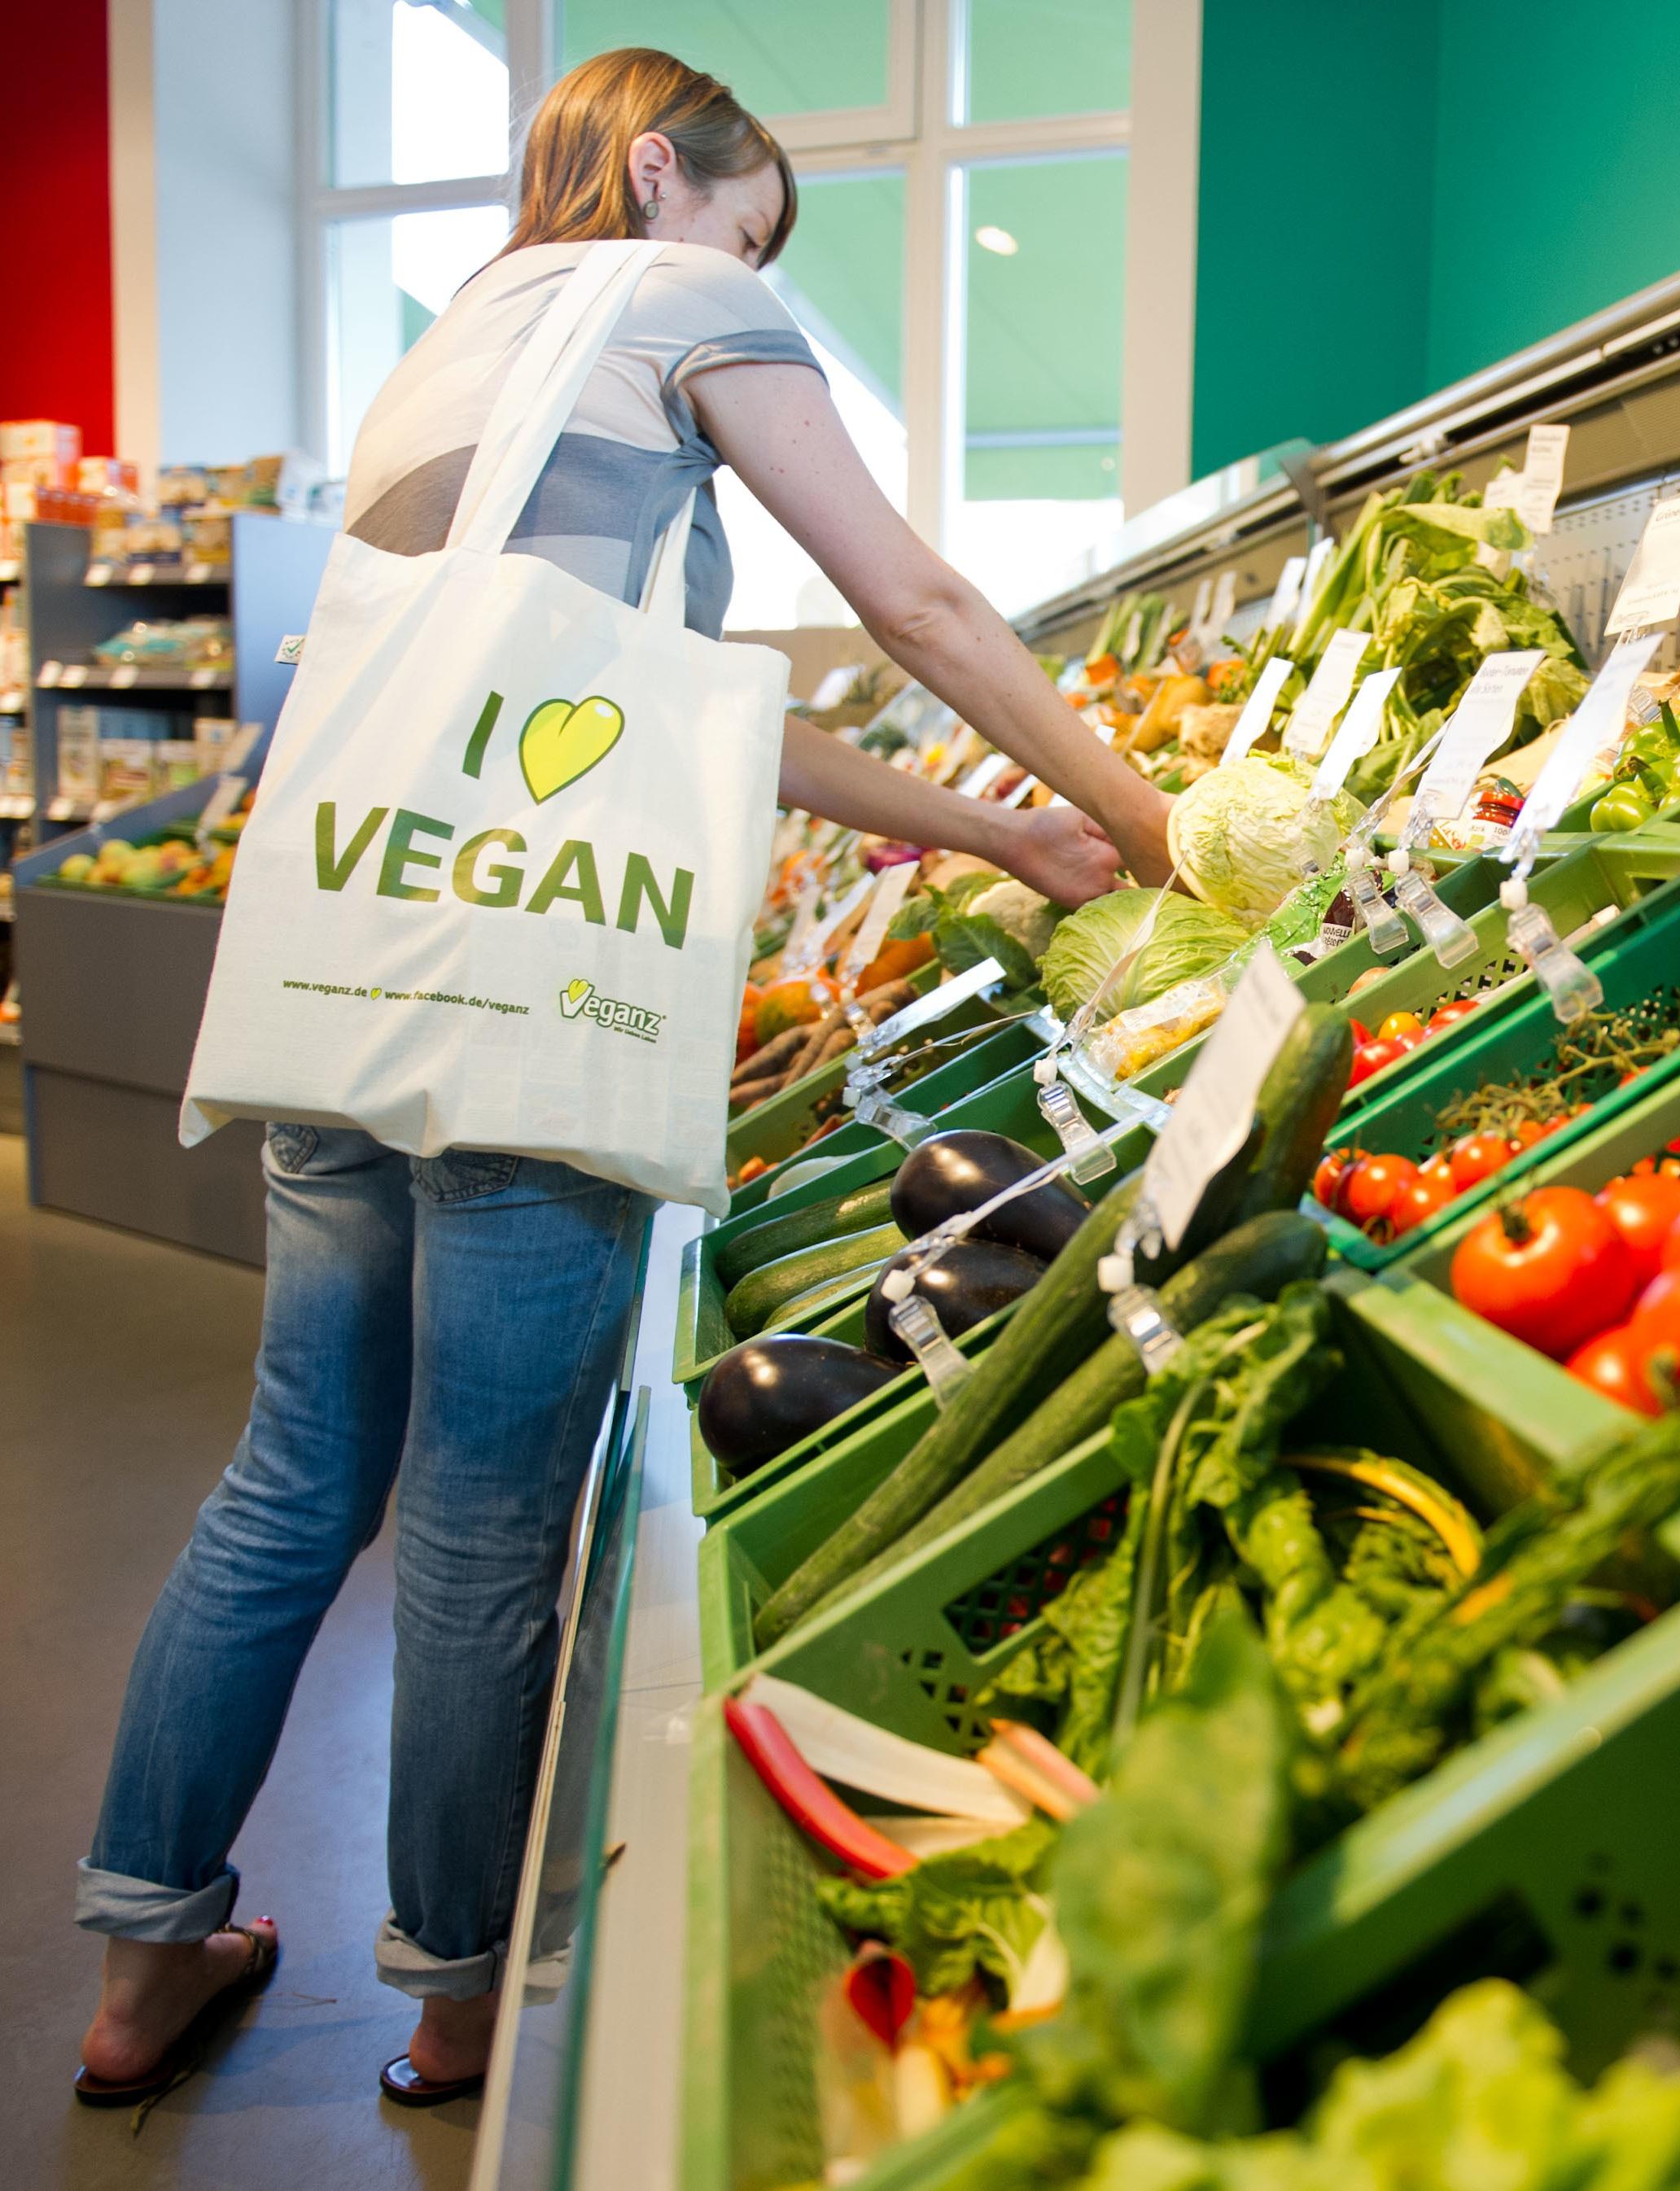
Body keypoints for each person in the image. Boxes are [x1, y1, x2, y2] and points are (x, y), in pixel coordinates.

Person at [72, 47, 1165, 2110]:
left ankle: (139, 1971)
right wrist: (1133, 807)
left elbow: (673, 717)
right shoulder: (680, 303)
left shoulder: (445, 351)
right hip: (533, 1007)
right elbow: (912, 600)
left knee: (292, 1479)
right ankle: (456, 2001)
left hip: (349, 967)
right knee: (484, 1520)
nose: (756, 275)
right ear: (668, 174)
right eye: (753, 232)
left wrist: (1005, 836)